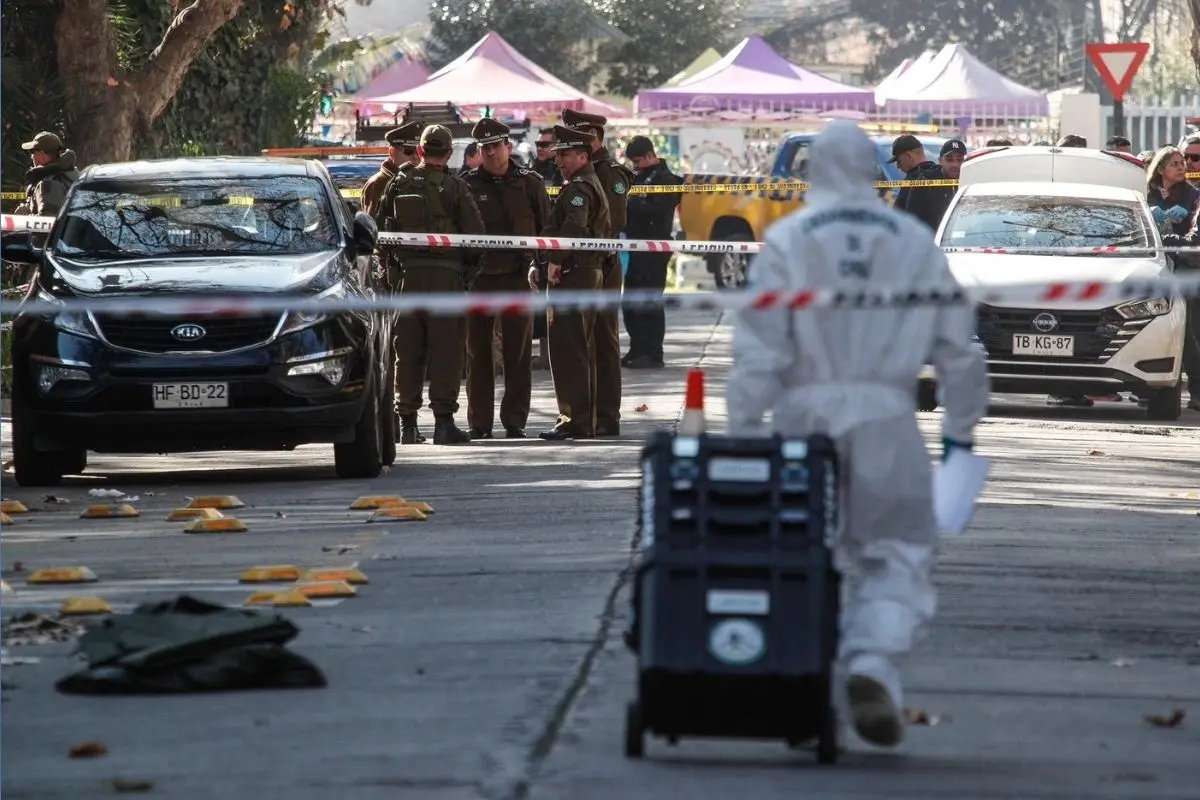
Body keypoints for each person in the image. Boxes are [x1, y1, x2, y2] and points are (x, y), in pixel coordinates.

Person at [725, 120, 988, 748]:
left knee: (803, 551)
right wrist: (959, 434)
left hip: (803, 420)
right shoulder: (912, 241)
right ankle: (871, 662)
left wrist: (742, 430)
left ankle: (803, 678)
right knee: (896, 551)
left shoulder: (788, 240)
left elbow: (759, 350)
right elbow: (960, 350)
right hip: (886, 419)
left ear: (813, 170)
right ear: (874, 170)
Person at [378, 124, 485, 445]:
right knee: (446, 351)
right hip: (446, 280)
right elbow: (476, 237)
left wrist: (393, 270)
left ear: (421, 150)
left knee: (407, 351)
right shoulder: (456, 188)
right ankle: (443, 424)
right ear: (449, 154)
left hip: (407, 280)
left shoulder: (398, 184)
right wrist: (466, 276)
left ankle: (407, 425)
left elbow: (379, 231)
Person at [461, 118, 551, 439]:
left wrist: (540, 268)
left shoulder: (530, 183)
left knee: (518, 352)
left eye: (495, 146)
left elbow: (545, 230)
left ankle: (515, 421)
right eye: (484, 148)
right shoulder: (467, 185)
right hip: (480, 279)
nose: (490, 153)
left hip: (517, 277)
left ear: (508, 147)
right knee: (478, 353)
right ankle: (479, 424)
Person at [531, 124, 610, 440]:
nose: (558, 160)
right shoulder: (583, 183)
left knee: (568, 348)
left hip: (574, 272)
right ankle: (581, 418)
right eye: (557, 154)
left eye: (564, 155)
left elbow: (574, 228)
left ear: (582, 156)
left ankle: (573, 419)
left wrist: (556, 260)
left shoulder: (579, 188)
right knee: (577, 347)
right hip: (582, 271)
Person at [562, 107, 632, 437]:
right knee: (579, 341)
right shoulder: (580, 171)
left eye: (576, 137)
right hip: (582, 264)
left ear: (592, 137)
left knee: (603, 340)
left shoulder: (609, 173)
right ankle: (583, 416)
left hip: (601, 263)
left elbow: (613, 220)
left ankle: (605, 417)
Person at [1146, 147, 1200, 412]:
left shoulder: (1193, 196)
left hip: (1185, 270)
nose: (1182, 167)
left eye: (1182, 163)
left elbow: (1195, 240)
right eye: (1175, 163)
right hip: (1154, 270)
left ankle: (1196, 392)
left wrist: (1176, 228)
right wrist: (1149, 215)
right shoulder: (1147, 195)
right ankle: (1152, 389)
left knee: (1190, 333)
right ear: (1160, 168)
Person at [621, 135, 682, 369]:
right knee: (631, 302)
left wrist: (628, 204)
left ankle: (653, 352)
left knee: (650, 302)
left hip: (655, 249)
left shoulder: (667, 180)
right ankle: (637, 349)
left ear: (650, 155)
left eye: (638, 161)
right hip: (635, 247)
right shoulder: (637, 178)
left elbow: (656, 212)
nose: (635, 166)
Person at [892, 135, 958, 232]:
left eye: (899, 161)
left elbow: (899, 220)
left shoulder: (913, 181)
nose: (898, 166)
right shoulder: (941, 175)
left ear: (908, 156)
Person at [361, 122, 422, 218]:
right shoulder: (378, 184)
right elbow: (373, 223)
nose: (416, 157)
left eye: (419, 152)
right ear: (392, 152)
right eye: (409, 151)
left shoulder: (419, 180)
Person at [15, 131, 79, 217]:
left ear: (41, 154)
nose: (31, 156)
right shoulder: (73, 174)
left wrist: (25, 215)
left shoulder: (48, 183)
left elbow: (48, 221)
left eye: (33, 152)